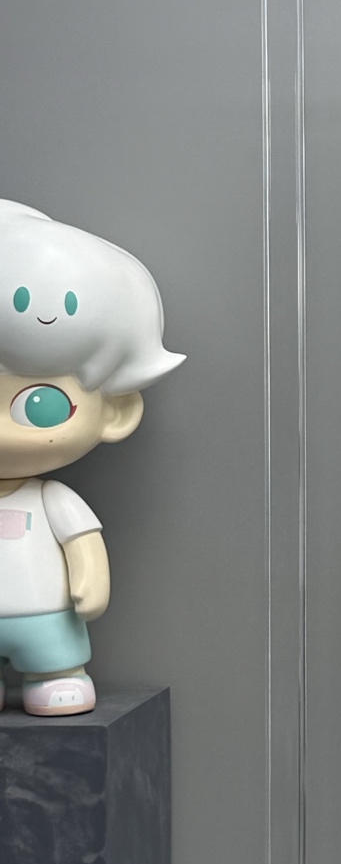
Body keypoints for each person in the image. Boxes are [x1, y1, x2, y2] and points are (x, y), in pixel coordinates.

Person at [0, 200, 183, 715]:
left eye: (39, 404)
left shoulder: (53, 499)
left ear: (115, 412)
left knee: (54, 658)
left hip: (47, 618)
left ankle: (58, 674)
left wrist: (89, 581)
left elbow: (82, 544)